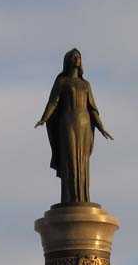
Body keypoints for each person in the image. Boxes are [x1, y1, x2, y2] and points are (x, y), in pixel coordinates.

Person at [34, 48, 113, 204]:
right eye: (74, 56)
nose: (77, 59)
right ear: (68, 60)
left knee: (82, 161)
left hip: (84, 124)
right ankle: (69, 198)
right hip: (67, 122)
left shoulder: (85, 85)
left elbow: (93, 109)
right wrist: (44, 119)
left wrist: (101, 127)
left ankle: (83, 198)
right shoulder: (62, 82)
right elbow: (53, 102)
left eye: (79, 57)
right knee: (70, 158)